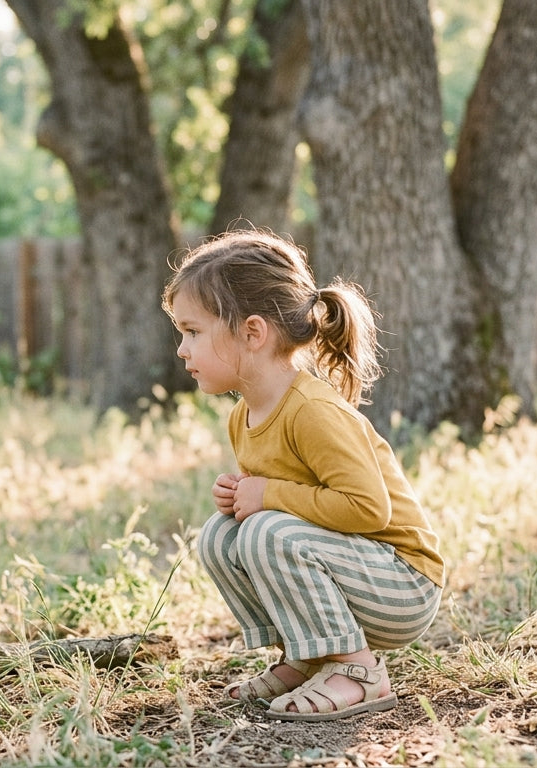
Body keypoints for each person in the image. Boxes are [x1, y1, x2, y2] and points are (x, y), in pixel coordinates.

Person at [161, 229, 444, 722]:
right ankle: (309, 656)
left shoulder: (312, 410)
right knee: (222, 535)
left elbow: (367, 509)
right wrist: (241, 497)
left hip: (401, 584)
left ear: (252, 332)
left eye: (193, 331)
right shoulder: (242, 416)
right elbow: (278, 511)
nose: (182, 349)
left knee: (268, 530)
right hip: (354, 573)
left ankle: (360, 672)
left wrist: (268, 495)